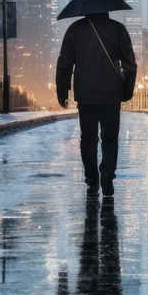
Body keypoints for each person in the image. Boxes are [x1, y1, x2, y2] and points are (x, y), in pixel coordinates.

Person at [56, 12, 137, 199]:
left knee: (88, 139)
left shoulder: (74, 29)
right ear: (107, 10)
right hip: (111, 94)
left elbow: (64, 64)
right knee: (110, 137)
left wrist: (62, 90)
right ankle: (108, 173)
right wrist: (127, 89)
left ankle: (92, 180)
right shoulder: (118, 29)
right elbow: (130, 64)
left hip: (86, 95)